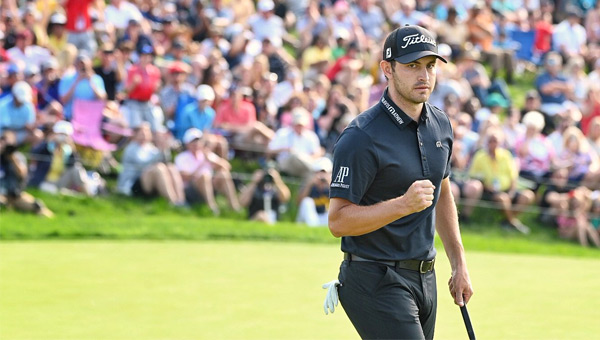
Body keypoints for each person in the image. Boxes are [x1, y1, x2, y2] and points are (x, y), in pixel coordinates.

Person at [325, 25, 473, 339]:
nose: (424, 75)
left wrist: (459, 263)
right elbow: (338, 221)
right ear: (387, 70)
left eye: (430, 66)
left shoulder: (440, 125)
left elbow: (441, 191)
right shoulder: (361, 137)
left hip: (424, 277)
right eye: (412, 66)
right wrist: (402, 206)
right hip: (372, 277)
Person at [174, 128, 241, 215]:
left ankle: (234, 207)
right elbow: (185, 176)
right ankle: (212, 207)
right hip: (192, 190)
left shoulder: (206, 154)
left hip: (210, 185)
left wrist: (213, 161)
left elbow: (227, 167)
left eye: (198, 141)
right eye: (193, 141)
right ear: (187, 144)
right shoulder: (181, 157)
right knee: (204, 176)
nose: (196, 144)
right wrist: (202, 164)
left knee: (223, 174)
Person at [0, 131, 53, 217]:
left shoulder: (18, 156)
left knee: (37, 206)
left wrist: (12, 157)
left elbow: (22, 174)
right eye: (2, 140)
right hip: (1, 194)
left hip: (14, 194)